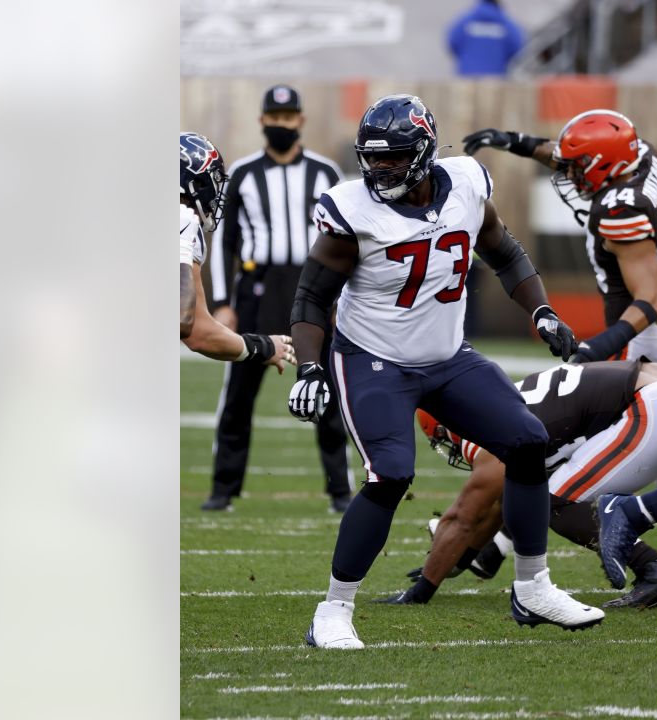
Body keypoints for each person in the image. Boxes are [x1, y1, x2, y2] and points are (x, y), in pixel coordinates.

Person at [287, 93, 604, 649]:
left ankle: (533, 588)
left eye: (393, 156)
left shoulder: (466, 183)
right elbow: (312, 298)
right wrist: (310, 369)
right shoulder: (351, 211)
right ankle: (333, 611)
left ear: (425, 151)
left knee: (528, 442)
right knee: (390, 474)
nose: (379, 167)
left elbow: (503, 251)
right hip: (372, 359)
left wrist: (542, 311)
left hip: (447, 356)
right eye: (372, 156)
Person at [379, 360, 657, 609]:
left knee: (552, 502)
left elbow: (464, 518)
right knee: (542, 493)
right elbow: (504, 498)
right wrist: (464, 559)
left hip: (649, 405)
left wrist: (421, 591)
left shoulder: (484, 431)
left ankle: (652, 567)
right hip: (655, 386)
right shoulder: (502, 401)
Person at [203, 85, 353, 513]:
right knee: (238, 397)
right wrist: (221, 303)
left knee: (325, 392)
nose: (282, 125)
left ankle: (339, 491)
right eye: (275, 118)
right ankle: (223, 490)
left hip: (312, 292)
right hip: (256, 293)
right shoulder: (244, 174)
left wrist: (342, 297)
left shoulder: (325, 174)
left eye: (289, 118)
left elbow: (347, 240)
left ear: (300, 121)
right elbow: (225, 243)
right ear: (263, 121)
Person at [463, 110, 657, 364]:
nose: (568, 174)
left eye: (578, 168)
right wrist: (515, 141)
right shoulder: (640, 153)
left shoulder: (621, 210)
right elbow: (568, 156)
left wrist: (599, 346)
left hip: (640, 334)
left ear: (605, 165)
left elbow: (651, 297)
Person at [180, 131, 294, 370]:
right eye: (209, 181)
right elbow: (194, 330)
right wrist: (264, 347)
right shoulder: (183, 221)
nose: (213, 193)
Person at [446, 0, 526, 77]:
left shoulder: (465, 22)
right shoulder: (506, 24)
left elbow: (452, 41)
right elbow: (517, 46)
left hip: (466, 78)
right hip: (496, 79)